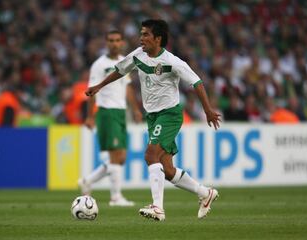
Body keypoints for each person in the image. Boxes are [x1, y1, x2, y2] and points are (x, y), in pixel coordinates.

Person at [86, 20, 221, 220]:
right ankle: (205, 193)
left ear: (158, 39)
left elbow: (197, 83)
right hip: (153, 116)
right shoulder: (138, 55)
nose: (141, 38)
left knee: (150, 156)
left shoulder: (172, 62)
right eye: (141, 34)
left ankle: (158, 207)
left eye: (146, 34)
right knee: (167, 170)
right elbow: (120, 71)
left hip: (169, 114)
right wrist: (99, 86)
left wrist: (208, 110)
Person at [78, 30, 143, 207]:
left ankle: (88, 181)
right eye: (111, 40)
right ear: (106, 43)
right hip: (107, 111)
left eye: (117, 40)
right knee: (116, 155)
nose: (114, 43)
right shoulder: (99, 65)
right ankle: (115, 197)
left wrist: (135, 109)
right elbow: (91, 90)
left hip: (121, 112)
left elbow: (127, 87)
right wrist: (90, 116)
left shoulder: (124, 62)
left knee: (121, 157)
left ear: (122, 43)